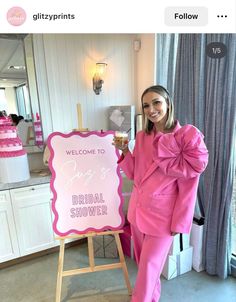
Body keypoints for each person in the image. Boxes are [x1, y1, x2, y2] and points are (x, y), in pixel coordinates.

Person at [113, 85, 209, 302]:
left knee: (148, 268)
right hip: (138, 213)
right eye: (146, 105)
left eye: (156, 102)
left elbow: (188, 188)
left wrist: (180, 222)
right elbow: (135, 174)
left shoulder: (185, 139)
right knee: (145, 265)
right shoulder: (143, 136)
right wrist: (125, 151)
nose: (151, 109)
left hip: (162, 218)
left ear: (168, 103)